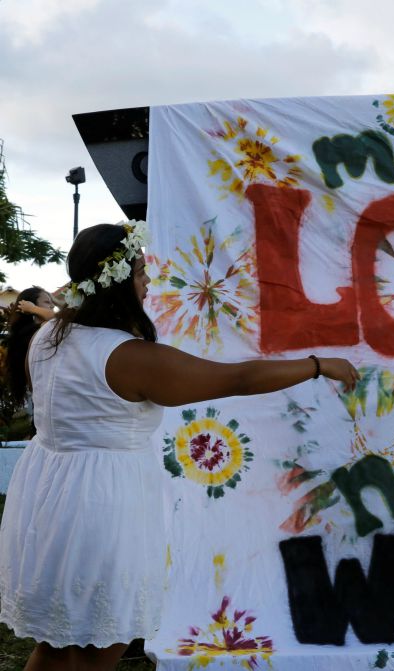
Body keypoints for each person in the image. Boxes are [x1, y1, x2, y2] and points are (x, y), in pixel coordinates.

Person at [0, 222, 360, 671]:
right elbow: (239, 378)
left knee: (58, 646)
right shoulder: (128, 357)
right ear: (116, 284)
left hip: (49, 495)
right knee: (97, 650)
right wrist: (318, 364)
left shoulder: (47, 340)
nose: (148, 281)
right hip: (103, 506)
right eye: (140, 272)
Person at [2, 287, 57, 431]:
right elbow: (61, 319)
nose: (52, 306)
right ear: (31, 307)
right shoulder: (43, 330)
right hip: (52, 405)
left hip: (44, 406)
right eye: (47, 302)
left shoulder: (26, 333)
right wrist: (33, 309)